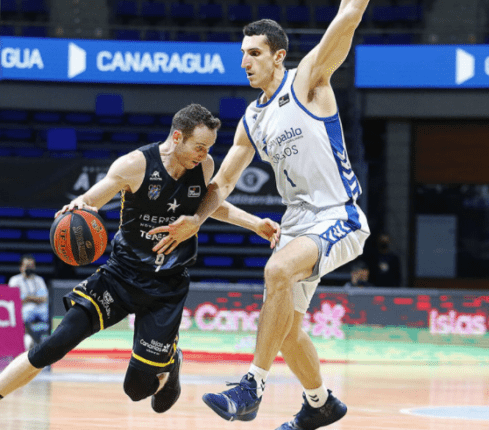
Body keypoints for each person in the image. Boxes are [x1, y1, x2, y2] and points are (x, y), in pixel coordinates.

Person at [0, 103, 280, 430]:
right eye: (200, 146)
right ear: (177, 137)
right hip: (120, 277)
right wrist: (75, 209)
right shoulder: (135, 166)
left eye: (209, 148)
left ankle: (171, 362)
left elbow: (211, 204)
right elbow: (90, 201)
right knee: (52, 345)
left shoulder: (202, 166)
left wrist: (255, 223)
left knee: (139, 392)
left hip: (167, 288)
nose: (206, 154)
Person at [149, 4, 371, 429]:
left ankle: (251, 387)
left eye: (254, 53)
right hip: (298, 222)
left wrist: (354, 5)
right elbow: (224, 183)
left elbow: (345, 22)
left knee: (277, 270)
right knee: (286, 334)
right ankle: (320, 403)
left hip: (338, 213)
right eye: (243, 53)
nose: (244, 61)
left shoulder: (307, 81)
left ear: (278, 56)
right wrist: (196, 218)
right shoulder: (252, 118)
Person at [8, 254, 50, 350]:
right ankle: (28, 336)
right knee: (27, 312)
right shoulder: (15, 280)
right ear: (21, 267)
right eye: (27, 266)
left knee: (46, 312)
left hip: (40, 309)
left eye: (32, 266)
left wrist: (27, 298)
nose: (30, 268)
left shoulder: (39, 280)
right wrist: (34, 299)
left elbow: (44, 298)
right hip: (23, 309)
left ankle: (42, 340)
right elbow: (14, 300)